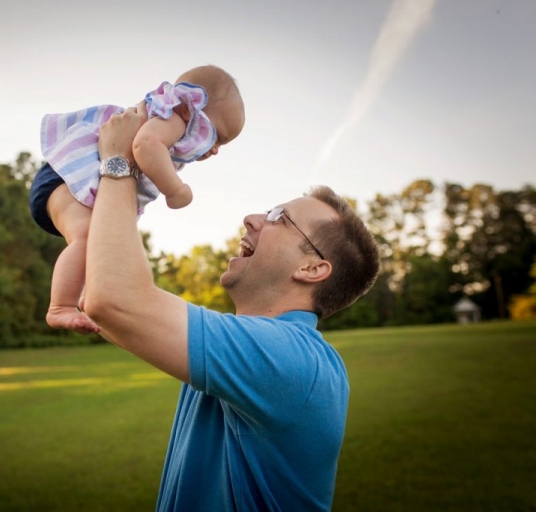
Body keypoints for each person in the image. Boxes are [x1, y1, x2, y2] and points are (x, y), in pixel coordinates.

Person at [81, 107, 381, 511]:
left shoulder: (291, 358)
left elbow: (113, 299)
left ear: (312, 268)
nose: (253, 218)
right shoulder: (250, 347)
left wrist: (117, 161)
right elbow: (103, 296)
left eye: (279, 217)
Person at [29, 65, 245, 334]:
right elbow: (145, 145)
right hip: (65, 178)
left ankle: (88, 294)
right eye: (218, 137)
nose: (214, 150)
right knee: (87, 236)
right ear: (192, 109)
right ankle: (60, 306)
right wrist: (175, 189)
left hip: (78, 183)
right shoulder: (174, 118)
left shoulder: (171, 120)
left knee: (102, 245)